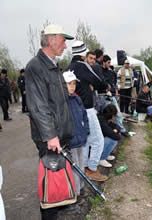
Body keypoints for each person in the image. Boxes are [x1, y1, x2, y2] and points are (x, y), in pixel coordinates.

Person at [25, 24, 74, 220]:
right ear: (52, 40)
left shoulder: (53, 66)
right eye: (63, 41)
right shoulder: (35, 67)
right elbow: (38, 106)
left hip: (59, 135)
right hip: (50, 138)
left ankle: (56, 211)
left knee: (58, 179)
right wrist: (51, 135)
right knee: (51, 182)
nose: (65, 46)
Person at [67, 40, 107, 182]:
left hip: (74, 109)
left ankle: (83, 169)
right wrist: (101, 86)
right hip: (87, 109)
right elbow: (99, 83)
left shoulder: (68, 67)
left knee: (85, 142)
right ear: (83, 53)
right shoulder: (83, 66)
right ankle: (92, 169)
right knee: (98, 140)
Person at [63, 70, 89, 196]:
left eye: (74, 83)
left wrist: (86, 130)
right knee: (74, 166)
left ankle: (82, 187)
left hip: (80, 138)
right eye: (69, 84)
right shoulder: (61, 101)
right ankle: (76, 192)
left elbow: (84, 115)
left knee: (81, 162)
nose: (72, 86)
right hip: (71, 140)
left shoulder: (77, 98)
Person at [102, 55, 129, 137]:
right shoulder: (100, 71)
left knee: (118, 114)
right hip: (103, 97)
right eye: (108, 63)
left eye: (110, 63)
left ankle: (122, 130)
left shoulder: (111, 72)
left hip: (112, 96)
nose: (109, 64)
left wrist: (116, 91)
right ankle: (107, 132)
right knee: (105, 116)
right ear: (103, 62)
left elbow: (114, 84)